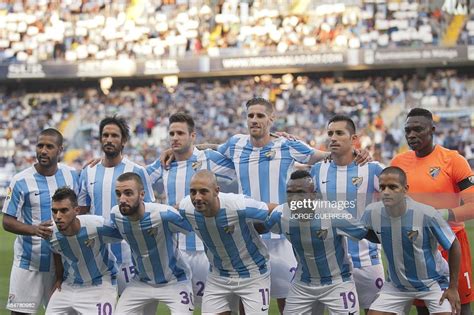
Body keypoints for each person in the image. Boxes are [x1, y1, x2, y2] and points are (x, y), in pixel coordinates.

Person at [146, 112, 236, 306]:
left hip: (207, 248)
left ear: (192, 136)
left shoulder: (208, 159)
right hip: (177, 249)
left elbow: (243, 165)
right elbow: (137, 179)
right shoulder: (164, 164)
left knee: (219, 306)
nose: (175, 138)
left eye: (180, 133)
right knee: (182, 307)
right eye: (172, 133)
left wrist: (208, 146)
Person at [391, 108, 474, 315]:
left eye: (418, 129)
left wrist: (442, 215)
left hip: (452, 242)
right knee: (425, 309)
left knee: (459, 308)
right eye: (408, 130)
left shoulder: (453, 160)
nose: (411, 135)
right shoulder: (398, 163)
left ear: (432, 130)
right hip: (418, 246)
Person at [265, 170, 375, 314]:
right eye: (289, 192)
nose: (294, 197)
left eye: (300, 192)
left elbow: (365, 232)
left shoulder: (333, 214)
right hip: (303, 283)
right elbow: (262, 227)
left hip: (337, 282)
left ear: (314, 194)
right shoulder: (281, 214)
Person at [310, 115, 385, 313]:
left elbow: (399, 196)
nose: (333, 138)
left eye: (339, 133)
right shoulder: (318, 170)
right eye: (330, 133)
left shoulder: (372, 169)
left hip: (367, 259)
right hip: (330, 264)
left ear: (354, 138)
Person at [362, 166, 461, 315]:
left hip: (434, 282)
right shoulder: (372, 212)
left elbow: (454, 245)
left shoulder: (427, 214)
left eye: (392, 187)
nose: (386, 192)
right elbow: (364, 232)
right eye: (382, 187)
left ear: (405, 189)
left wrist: (453, 287)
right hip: (397, 285)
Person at [2, 128, 79, 314]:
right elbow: (6, 221)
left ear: (60, 149)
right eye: (40, 145)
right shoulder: (20, 180)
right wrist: (34, 229)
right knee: (21, 313)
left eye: (49, 146)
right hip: (28, 265)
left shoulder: (71, 175)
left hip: (62, 266)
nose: (43, 150)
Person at [78, 116, 155, 294]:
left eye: (114, 135)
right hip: (98, 254)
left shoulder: (137, 171)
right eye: (105, 135)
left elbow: (149, 213)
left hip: (130, 254)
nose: (109, 139)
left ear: (124, 141)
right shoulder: (88, 171)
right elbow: (81, 213)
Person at [178, 170, 273, 314]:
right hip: (218, 275)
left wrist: (313, 211)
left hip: (254, 274)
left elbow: (275, 210)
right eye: (193, 192)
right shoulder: (186, 207)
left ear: (216, 191)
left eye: (203, 191)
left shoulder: (238, 205)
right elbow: (167, 213)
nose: (197, 197)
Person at [110, 172, 194, 314]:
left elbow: (191, 226)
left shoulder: (164, 214)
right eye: (118, 194)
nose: (122, 199)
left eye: (128, 193)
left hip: (175, 281)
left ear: (142, 194)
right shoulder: (116, 215)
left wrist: (185, 206)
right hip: (141, 282)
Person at [43, 187, 122, 315]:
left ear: (76, 210)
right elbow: (56, 252)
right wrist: (58, 278)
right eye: (54, 211)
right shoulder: (50, 234)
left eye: (64, 210)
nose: (58, 216)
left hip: (101, 284)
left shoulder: (97, 225)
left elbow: (123, 234)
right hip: (69, 285)